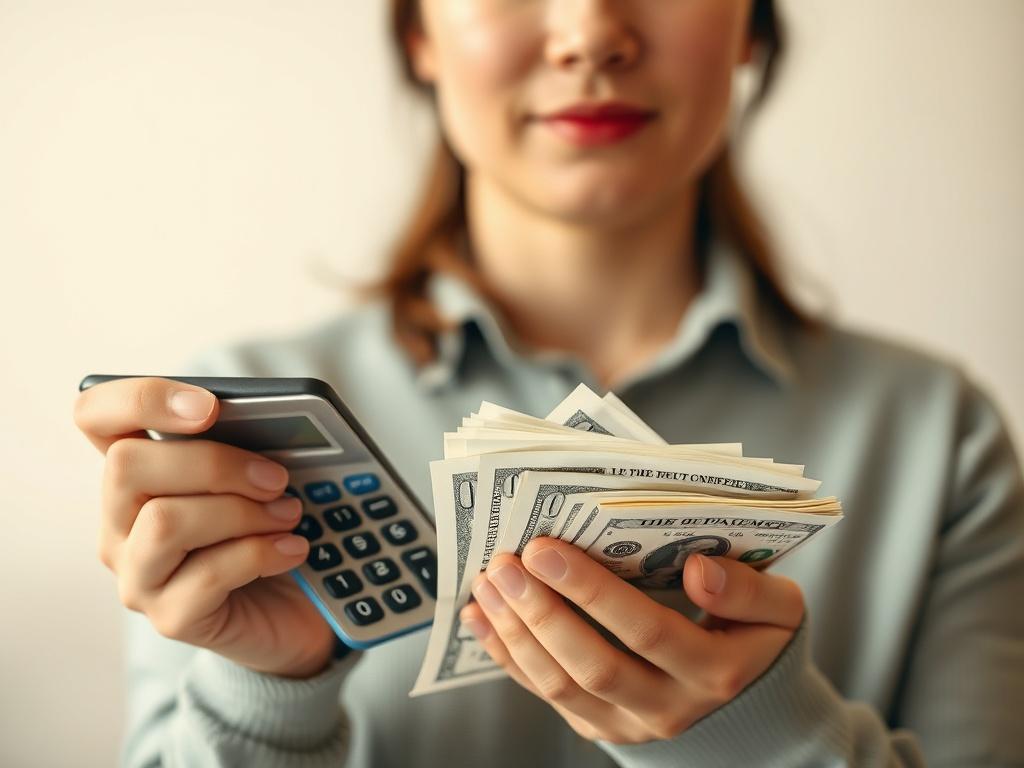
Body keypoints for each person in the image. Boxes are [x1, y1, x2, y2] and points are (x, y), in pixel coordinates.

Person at [73, 1, 1024, 766]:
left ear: (755, 26)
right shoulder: (238, 432)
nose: (589, 31)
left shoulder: (943, 438)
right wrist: (266, 695)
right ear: (417, 32)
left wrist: (766, 740)